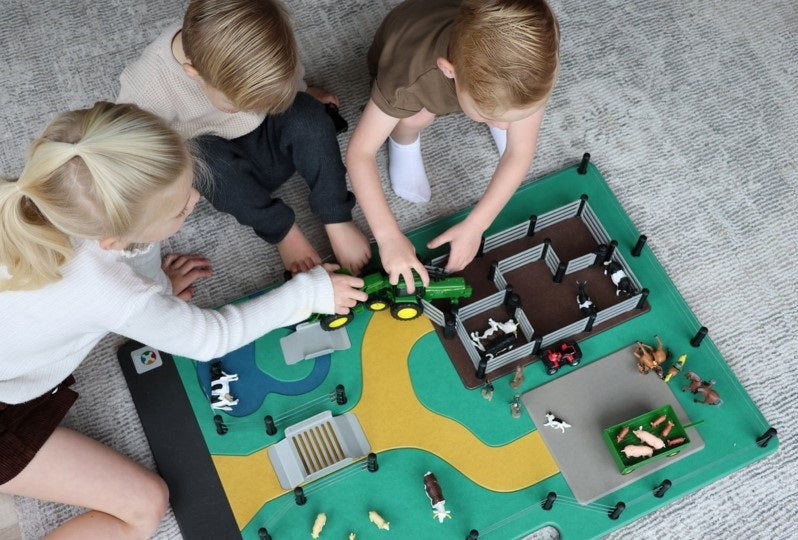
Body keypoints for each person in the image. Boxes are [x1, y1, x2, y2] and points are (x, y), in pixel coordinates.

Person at [0, 102, 366, 537]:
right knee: (144, 508)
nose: (196, 199)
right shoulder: (114, 292)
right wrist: (309, 294)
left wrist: (153, 285)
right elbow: (211, 338)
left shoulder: (60, 189)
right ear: (113, 239)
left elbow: (130, 250)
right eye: (181, 212)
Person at [117, 0, 371, 275]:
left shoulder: (267, 44)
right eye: (237, 104)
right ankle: (283, 232)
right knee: (204, 162)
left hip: (270, 136)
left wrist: (301, 92)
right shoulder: (149, 84)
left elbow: (287, 77)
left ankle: (336, 217)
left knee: (308, 115)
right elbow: (130, 143)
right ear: (194, 72)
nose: (248, 109)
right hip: (220, 161)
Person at [346, 0, 559, 291]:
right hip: (408, 58)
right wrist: (388, 237)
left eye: (512, 118)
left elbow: (520, 153)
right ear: (450, 71)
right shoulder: (410, 77)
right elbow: (360, 153)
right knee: (416, 116)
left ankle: (502, 106)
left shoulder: (535, 61)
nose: (504, 128)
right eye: (493, 118)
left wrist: (476, 225)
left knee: (514, 110)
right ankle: (403, 141)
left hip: (475, 52)